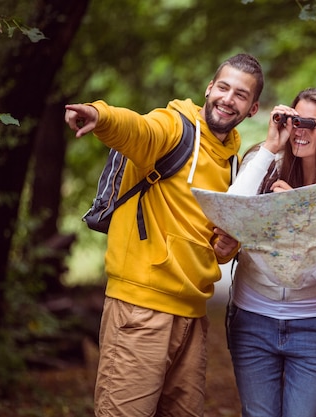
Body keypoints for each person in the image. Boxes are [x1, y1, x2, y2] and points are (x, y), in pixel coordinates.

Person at [63, 53, 264, 417]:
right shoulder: (173, 128)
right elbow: (137, 129)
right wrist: (101, 115)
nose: (227, 99)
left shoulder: (232, 161)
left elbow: (215, 244)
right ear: (209, 88)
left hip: (192, 317)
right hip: (140, 308)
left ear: (252, 108)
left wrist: (228, 246)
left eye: (240, 94)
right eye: (223, 87)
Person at [222, 87, 316, 417]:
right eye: (295, 120)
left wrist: (298, 211)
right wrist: (271, 146)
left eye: (310, 124)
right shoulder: (267, 159)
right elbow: (231, 213)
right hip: (253, 319)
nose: (299, 130)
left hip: (315, 325)